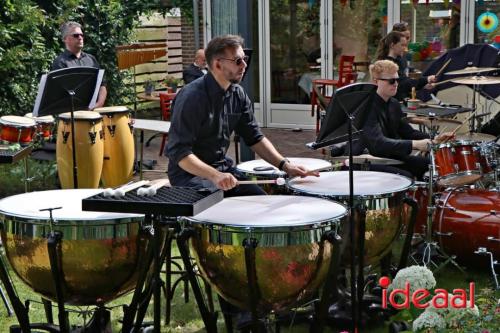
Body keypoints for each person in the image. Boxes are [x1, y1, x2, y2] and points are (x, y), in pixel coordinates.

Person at [166, 35, 318, 196]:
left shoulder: (237, 94)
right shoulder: (191, 97)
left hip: (223, 171)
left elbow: (254, 137)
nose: (244, 65)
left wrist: (285, 166)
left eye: (244, 59)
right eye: (238, 61)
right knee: (227, 211)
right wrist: (215, 175)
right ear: (218, 64)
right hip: (190, 178)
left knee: (262, 201)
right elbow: (179, 153)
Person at [358, 60, 454, 180]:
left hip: (387, 157)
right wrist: (416, 144)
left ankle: (420, 198)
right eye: (391, 81)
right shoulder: (366, 107)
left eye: (397, 80)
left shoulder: (393, 104)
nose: (396, 84)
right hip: (366, 160)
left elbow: (408, 132)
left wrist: (434, 139)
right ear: (376, 81)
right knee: (405, 177)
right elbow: (378, 143)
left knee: (427, 164)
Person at [51, 21, 107, 108]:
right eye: (76, 35)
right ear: (65, 39)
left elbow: (102, 85)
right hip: (72, 116)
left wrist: (98, 105)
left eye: (82, 35)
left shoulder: (91, 59)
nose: (80, 38)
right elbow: (61, 95)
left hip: (95, 113)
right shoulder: (60, 63)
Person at [376, 31, 436, 101]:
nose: (405, 48)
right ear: (392, 45)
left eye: (405, 45)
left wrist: (423, 85)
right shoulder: (386, 64)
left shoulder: (401, 60)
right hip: (392, 101)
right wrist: (425, 80)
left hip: (402, 99)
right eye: (402, 45)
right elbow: (402, 84)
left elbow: (405, 81)